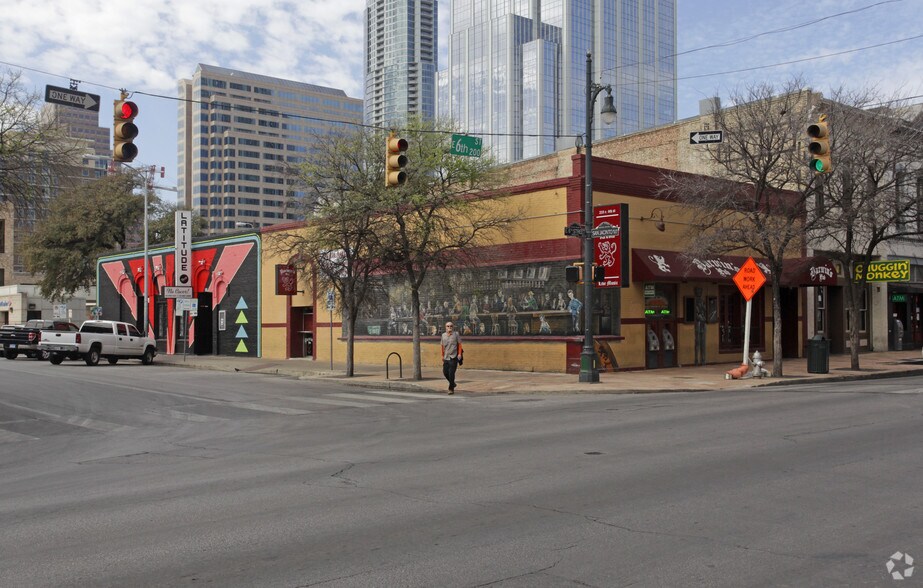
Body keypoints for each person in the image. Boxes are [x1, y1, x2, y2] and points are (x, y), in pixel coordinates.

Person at [441, 321, 463, 394]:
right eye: (448, 326)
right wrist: (442, 355)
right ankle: (453, 383)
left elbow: (459, 345)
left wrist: (459, 354)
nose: (449, 327)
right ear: (445, 327)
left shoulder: (456, 334)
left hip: (453, 357)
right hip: (446, 357)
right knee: (445, 372)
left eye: (451, 326)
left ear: (453, 327)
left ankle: (451, 389)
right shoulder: (443, 335)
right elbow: (442, 346)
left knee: (451, 373)